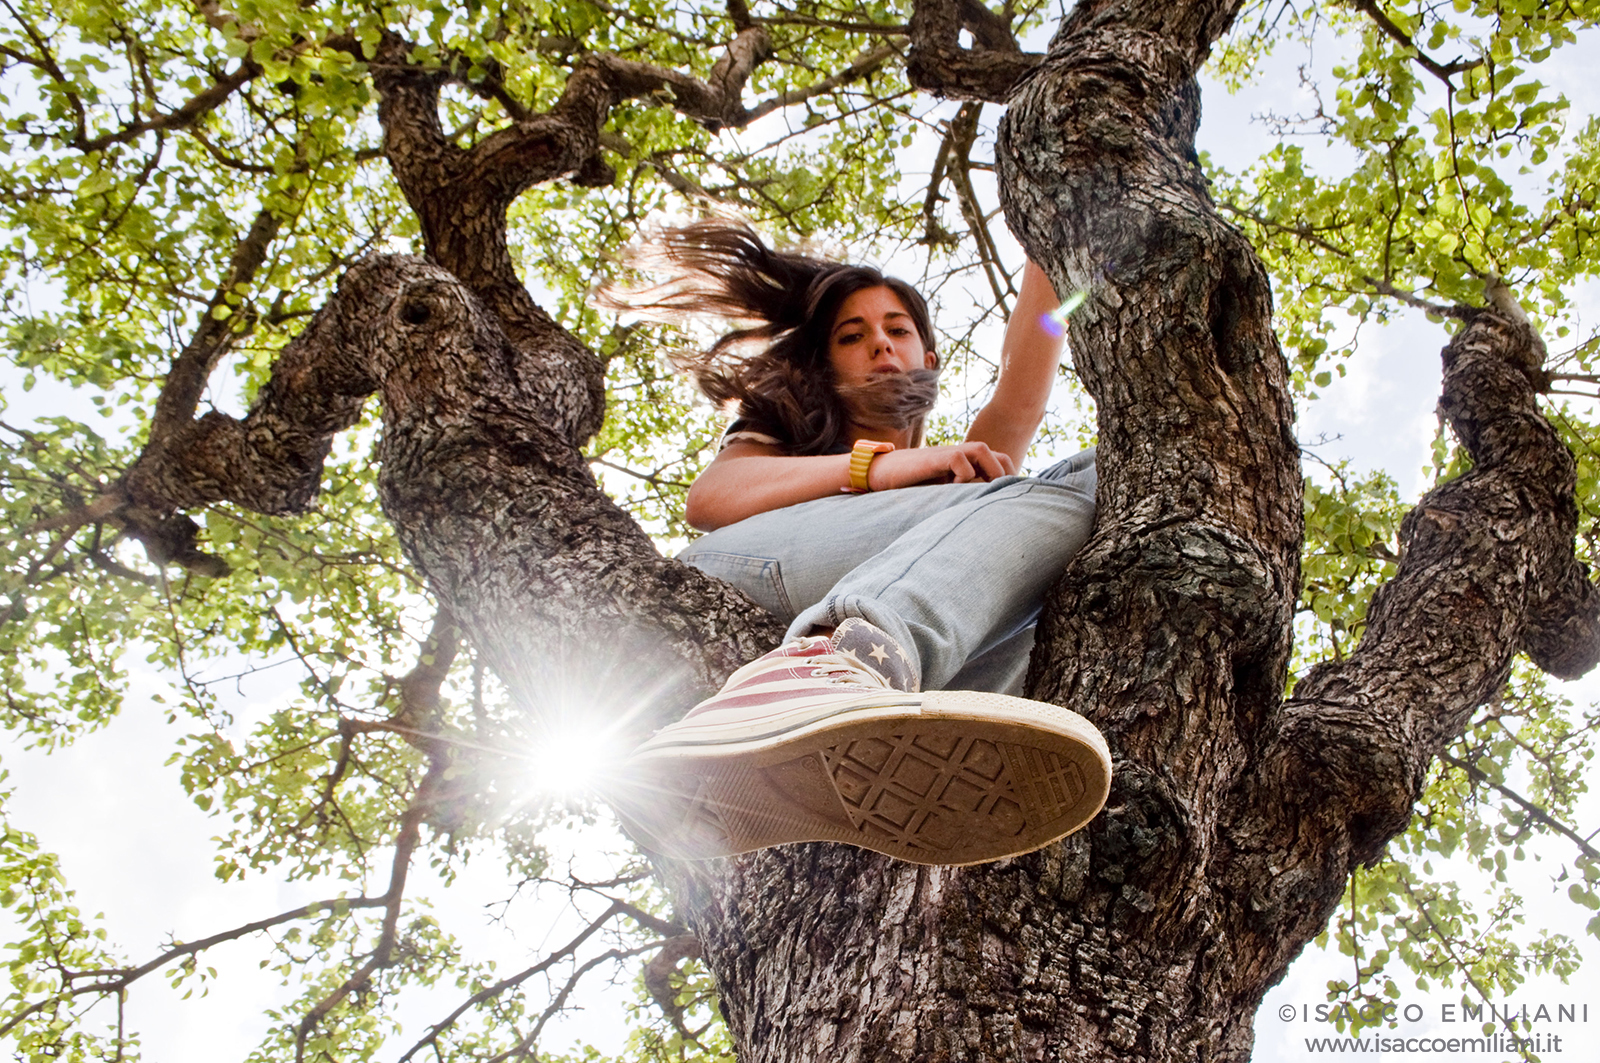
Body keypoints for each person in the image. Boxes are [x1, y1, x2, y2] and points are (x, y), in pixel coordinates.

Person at [603, 222, 1110, 867]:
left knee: (1100, 481)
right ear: (826, 362)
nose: (879, 343)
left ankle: (927, 744)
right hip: (747, 567)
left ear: (929, 359)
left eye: (898, 330)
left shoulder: (967, 484)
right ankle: (828, 669)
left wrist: (1061, 230)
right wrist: (874, 468)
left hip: (908, 578)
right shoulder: (785, 429)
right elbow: (710, 501)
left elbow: (1028, 366)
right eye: (854, 335)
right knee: (1031, 496)